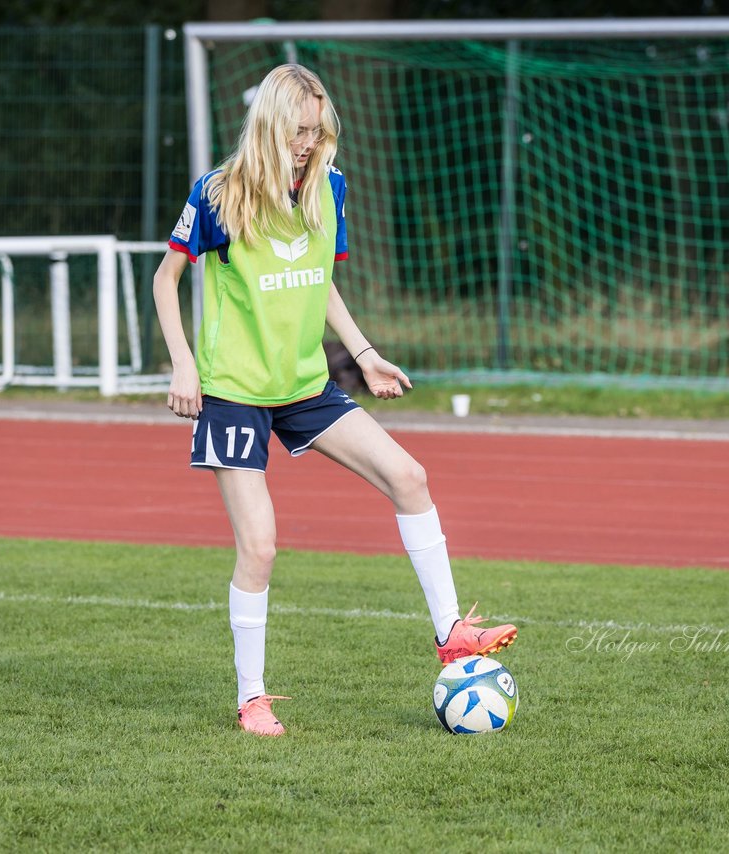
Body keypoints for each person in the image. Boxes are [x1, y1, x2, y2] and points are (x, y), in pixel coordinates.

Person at [153, 64, 517, 738]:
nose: (307, 144)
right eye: (296, 133)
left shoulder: (329, 187)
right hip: (233, 392)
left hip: (305, 385)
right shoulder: (218, 193)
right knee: (259, 547)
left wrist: (367, 352)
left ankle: (452, 634)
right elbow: (164, 278)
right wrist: (183, 366)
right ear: (269, 125)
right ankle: (252, 699)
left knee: (410, 476)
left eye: (316, 133)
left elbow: (320, 282)